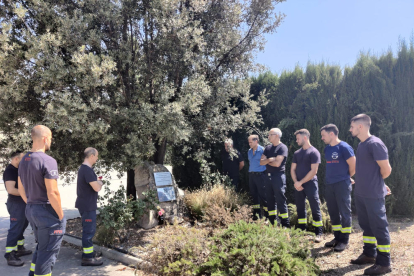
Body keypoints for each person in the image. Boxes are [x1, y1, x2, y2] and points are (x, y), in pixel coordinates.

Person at [18, 125, 66, 276]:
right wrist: (60, 215)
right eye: (51, 138)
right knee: (47, 254)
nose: (51, 141)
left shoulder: (24, 159)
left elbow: (21, 189)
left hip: (31, 209)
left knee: (42, 247)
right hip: (47, 213)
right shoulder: (48, 160)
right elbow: (53, 192)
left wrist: (31, 204)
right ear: (45, 139)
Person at [349, 114, 392, 275]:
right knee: (366, 226)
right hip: (361, 194)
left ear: (360, 126)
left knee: (379, 228)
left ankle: (384, 263)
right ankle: (369, 254)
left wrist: (378, 183)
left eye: (352, 126)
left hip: (373, 195)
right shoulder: (362, 145)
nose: (350, 129)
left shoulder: (375, 144)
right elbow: (371, 170)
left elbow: (386, 170)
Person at [320, 124, 356, 252]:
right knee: (333, 213)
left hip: (342, 184)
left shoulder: (345, 147)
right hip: (330, 185)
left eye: (323, 135)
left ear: (331, 134)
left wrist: (346, 177)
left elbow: (353, 166)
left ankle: (344, 240)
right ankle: (337, 238)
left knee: (345, 213)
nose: (322, 138)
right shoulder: (326, 149)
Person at [291, 129, 323, 242]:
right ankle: (301, 230)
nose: (296, 141)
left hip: (311, 184)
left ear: (305, 138)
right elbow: (292, 169)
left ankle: (319, 232)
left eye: (298, 138)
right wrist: (296, 182)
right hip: (298, 185)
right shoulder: (297, 153)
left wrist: (301, 182)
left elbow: (314, 171)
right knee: (300, 207)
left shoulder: (314, 152)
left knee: (315, 207)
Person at [75, 147, 104, 266]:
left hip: (86, 204)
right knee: (89, 231)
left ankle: (88, 253)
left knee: (88, 230)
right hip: (87, 205)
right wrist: (100, 183)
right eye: (96, 156)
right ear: (91, 156)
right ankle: (87, 258)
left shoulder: (85, 169)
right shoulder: (86, 170)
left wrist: (97, 181)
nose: (97, 158)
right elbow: (96, 187)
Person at [3, 151, 32, 266]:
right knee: (15, 228)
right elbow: (11, 190)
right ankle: (10, 255)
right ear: (16, 159)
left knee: (22, 226)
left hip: (22, 203)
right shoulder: (10, 171)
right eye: (23, 159)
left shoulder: (19, 170)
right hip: (16, 204)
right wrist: (28, 194)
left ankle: (20, 248)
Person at [260, 128, 290, 227]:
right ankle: (273, 222)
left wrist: (267, 161)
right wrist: (270, 159)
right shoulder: (268, 148)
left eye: (270, 135)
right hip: (267, 177)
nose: (268, 137)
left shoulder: (282, 148)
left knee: (280, 199)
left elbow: (277, 164)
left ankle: (285, 225)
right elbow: (261, 162)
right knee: (270, 200)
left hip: (278, 177)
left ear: (277, 135)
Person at [247, 135, 267, 219]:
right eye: (248, 142)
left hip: (261, 175)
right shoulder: (249, 151)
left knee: (263, 195)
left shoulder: (262, 150)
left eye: (251, 142)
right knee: (254, 195)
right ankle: (257, 215)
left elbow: (266, 162)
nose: (249, 144)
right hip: (252, 175)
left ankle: (267, 215)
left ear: (256, 141)